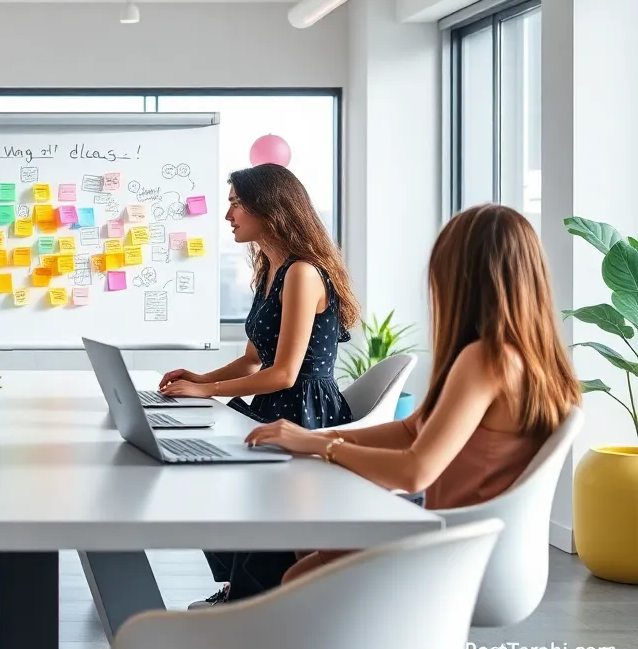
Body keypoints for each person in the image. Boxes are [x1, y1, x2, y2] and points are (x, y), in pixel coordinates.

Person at [244, 204, 579, 585]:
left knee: (298, 576)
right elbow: (411, 430)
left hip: (454, 543)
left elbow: (417, 471)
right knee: (310, 543)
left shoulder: (487, 359)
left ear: (461, 276)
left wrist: (325, 449)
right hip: (474, 535)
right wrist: (316, 438)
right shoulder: (525, 356)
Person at [156, 163, 361, 606]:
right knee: (197, 470)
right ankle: (238, 586)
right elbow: (253, 361)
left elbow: (286, 372)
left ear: (269, 208)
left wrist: (206, 393)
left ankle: (250, 594)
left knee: (213, 471)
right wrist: (201, 378)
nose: (228, 215)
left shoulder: (302, 273)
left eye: (236, 203)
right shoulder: (271, 269)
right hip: (273, 402)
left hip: (304, 410)